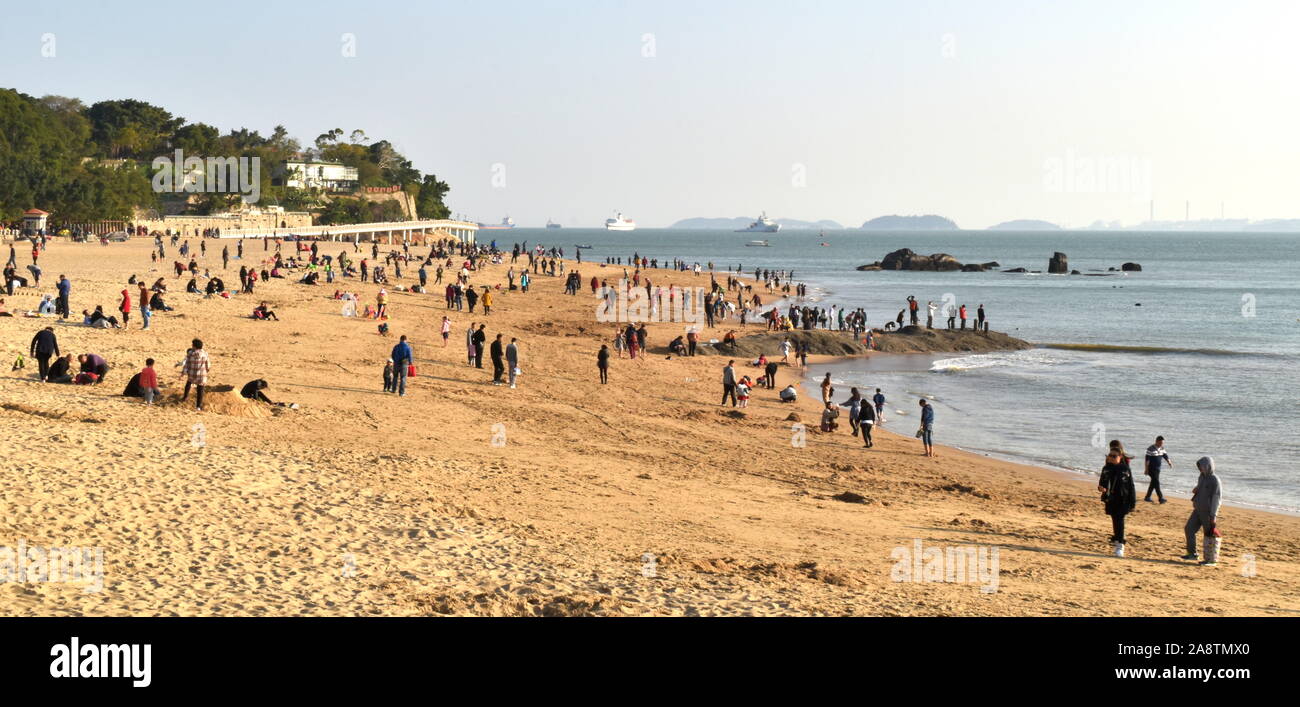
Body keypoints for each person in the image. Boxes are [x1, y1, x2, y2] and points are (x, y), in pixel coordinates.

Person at [1098, 443, 1137, 557]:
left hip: (1123, 499)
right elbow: (1102, 483)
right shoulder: (1106, 469)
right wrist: (1102, 488)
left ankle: (1120, 545)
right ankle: (1117, 540)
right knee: (1115, 519)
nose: (1111, 457)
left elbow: (1131, 486)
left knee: (1120, 520)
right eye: (1110, 455)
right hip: (1110, 499)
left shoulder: (1125, 469)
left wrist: (1133, 501)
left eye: (1114, 456)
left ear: (1120, 457)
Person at [1183, 456, 1222, 566]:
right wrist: (1196, 490)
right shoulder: (1201, 477)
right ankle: (1192, 554)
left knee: (1209, 535)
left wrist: (1213, 515)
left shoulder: (1215, 480)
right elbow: (1201, 488)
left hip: (1208, 512)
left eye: (1202, 466)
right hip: (1198, 509)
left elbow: (1216, 498)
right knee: (1189, 529)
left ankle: (1211, 560)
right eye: (1199, 467)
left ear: (1208, 466)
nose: (1200, 469)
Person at [181, 339, 210, 411]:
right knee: (200, 390)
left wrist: (183, 373)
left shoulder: (190, 353)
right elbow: (208, 365)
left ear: (194, 346)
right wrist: (206, 370)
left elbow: (187, 364)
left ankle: (185, 397)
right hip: (201, 375)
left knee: (188, 384)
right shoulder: (205, 354)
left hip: (192, 374)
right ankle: (198, 406)